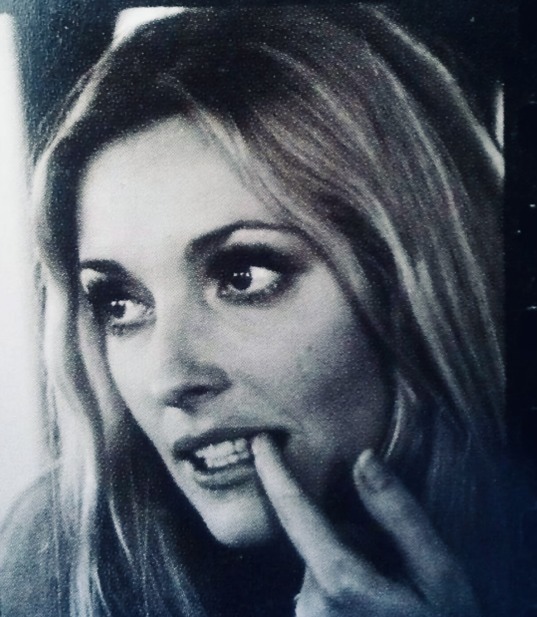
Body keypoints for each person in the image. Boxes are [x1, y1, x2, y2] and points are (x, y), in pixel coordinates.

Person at [0, 5, 508, 616]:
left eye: (243, 276)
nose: (170, 378)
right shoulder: (56, 564)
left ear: (409, 280)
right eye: (121, 304)